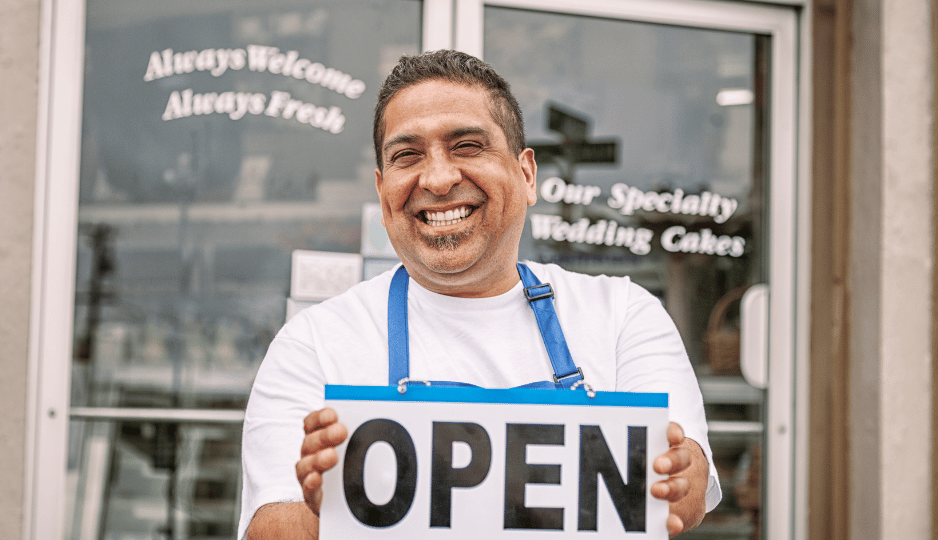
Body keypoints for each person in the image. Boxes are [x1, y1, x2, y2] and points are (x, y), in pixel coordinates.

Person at [239, 49, 721, 540]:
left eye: (467, 146)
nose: (439, 178)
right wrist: (329, 510)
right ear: (384, 194)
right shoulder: (314, 344)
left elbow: (686, 494)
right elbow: (270, 526)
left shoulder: (622, 314)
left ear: (527, 175)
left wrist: (673, 475)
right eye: (407, 156)